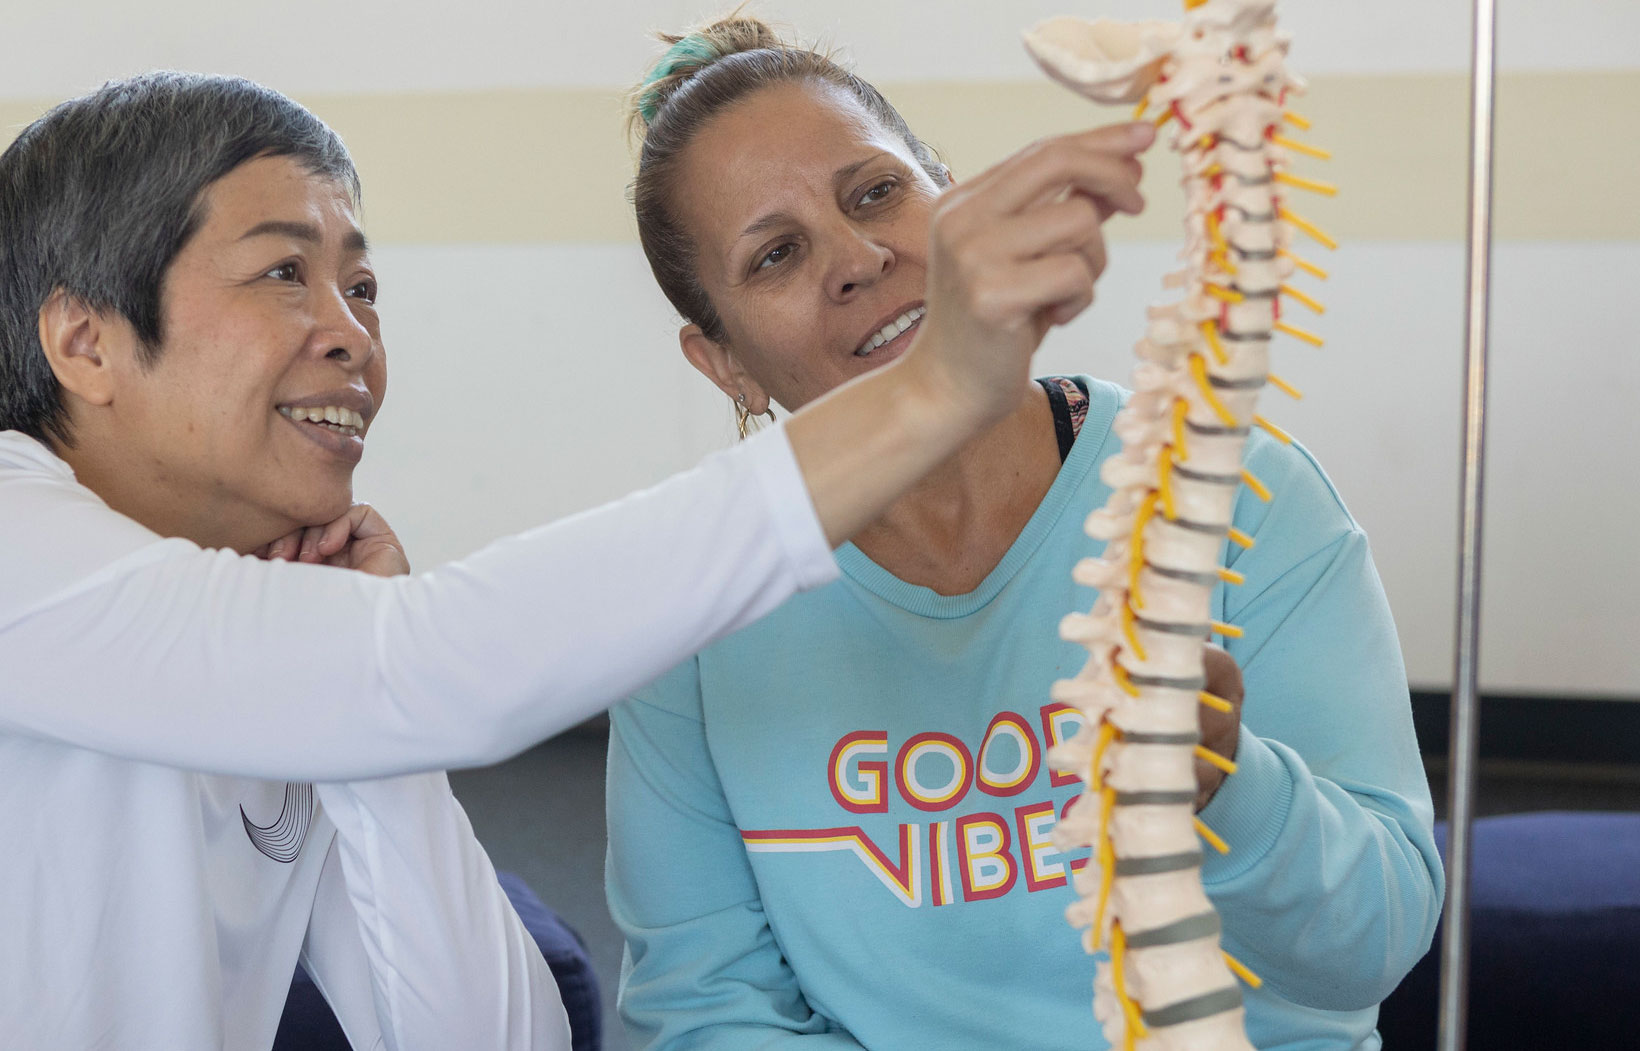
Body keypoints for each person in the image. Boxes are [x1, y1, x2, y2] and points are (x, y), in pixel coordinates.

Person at [0, 70, 1153, 1050]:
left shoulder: (292, 637)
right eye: (284, 272)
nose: (351, 329)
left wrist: (378, 748)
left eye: (363, 282)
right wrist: (938, 382)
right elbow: (444, 669)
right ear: (82, 337)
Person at [605, 17, 1443, 1051]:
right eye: (775, 255)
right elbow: (703, 1010)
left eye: (874, 192)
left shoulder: (1239, 492)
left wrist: (1237, 791)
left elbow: (1380, 935)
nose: (858, 259)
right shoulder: (688, 605)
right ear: (721, 360)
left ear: (951, 195)